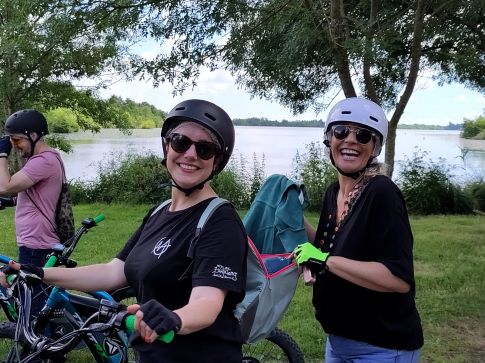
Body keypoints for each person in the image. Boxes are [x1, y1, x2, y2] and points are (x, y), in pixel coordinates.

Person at [2, 99, 248, 362]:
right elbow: (113, 271)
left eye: (205, 149)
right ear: (167, 146)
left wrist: (176, 318)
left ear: (217, 160)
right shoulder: (160, 211)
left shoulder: (220, 222)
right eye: (180, 142)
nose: (190, 154)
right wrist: (38, 273)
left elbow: (207, 303)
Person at [293, 97, 423, 362]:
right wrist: (292, 220)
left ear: (374, 147)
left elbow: (397, 279)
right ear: (329, 140)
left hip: (382, 347)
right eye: (341, 131)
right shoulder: (333, 192)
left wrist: (324, 260)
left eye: (363, 135)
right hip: (338, 341)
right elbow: (326, 246)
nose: (351, 140)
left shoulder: (382, 193)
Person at [0, 109, 66, 316]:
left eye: (17, 140)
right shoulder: (44, 159)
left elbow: (4, 185)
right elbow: (28, 193)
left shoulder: (43, 161)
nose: (15, 147)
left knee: (34, 305)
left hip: (37, 243)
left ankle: (41, 345)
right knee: (34, 298)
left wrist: (1, 154)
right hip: (36, 240)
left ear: (34, 135)